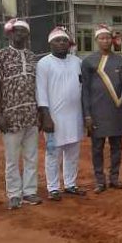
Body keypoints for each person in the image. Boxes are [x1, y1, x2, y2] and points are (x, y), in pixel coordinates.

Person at [0, 18, 42, 210]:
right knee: (12, 158)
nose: (21, 34)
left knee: (31, 156)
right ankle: (14, 194)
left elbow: (36, 85)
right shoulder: (0, 55)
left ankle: (29, 191)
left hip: (30, 113)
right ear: (10, 34)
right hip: (10, 115)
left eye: (24, 32)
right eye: (17, 31)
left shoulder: (31, 56)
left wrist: (39, 112)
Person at [36, 27, 86, 200]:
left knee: (73, 152)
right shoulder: (44, 63)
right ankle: (53, 187)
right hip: (54, 117)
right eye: (58, 40)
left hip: (75, 116)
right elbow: (41, 91)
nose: (62, 43)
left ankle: (71, 184)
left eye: (64, 40)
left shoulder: (77, 62)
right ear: (50, 43)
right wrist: (45, 116)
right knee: (53, 153)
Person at [82, 24, 122, 193]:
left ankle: (114, 178)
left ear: (112, 39)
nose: (105, 41)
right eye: (101, 38)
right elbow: (85, 90)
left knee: (117, 146)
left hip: (116, 110)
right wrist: (87, 114)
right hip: (97, 112)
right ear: (96, 40)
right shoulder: (88, 61)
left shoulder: (120, 60)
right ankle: (100, 181)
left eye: (108, 38)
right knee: (97, 148)